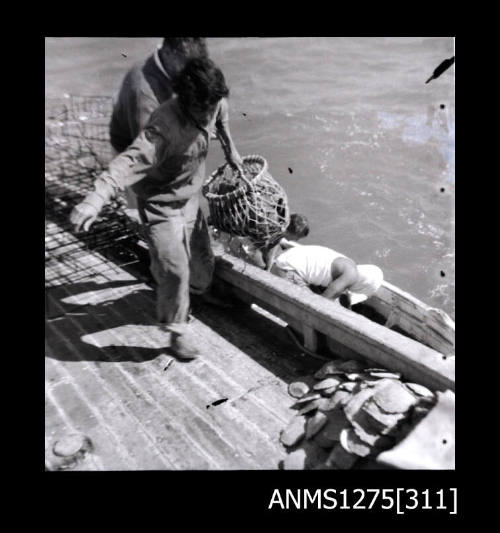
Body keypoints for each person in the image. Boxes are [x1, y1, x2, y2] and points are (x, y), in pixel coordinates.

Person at [70, 58, 243, 359]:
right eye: (201, 109)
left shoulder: (214, 102)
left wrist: (232, 152)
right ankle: (176, 331)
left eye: (212, 106)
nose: (208, 114)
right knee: (176, 270)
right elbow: (128, 162)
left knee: (201, 266)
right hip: (161, 204)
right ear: (186, 100)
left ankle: (187, 286)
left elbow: (223, 116)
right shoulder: (163, 128)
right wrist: (95, 198)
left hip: (190, 198)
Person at [270, 243, 383, 307]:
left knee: (316, 291)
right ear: (363, 286)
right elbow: (323, 302)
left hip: (285, 256)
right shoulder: (351, 276)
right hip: (285, 269)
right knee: (310, 306)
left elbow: (340, 292)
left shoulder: (348, 265)